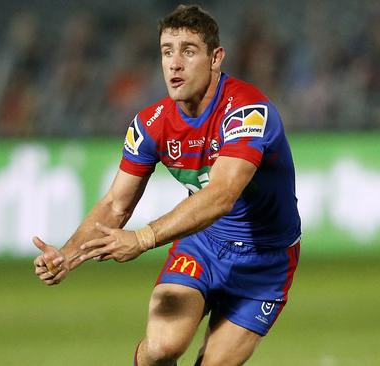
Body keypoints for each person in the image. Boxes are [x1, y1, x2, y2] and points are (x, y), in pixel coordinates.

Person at [33, 4, 301, 365]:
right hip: (203, 245)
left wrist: (144, 239)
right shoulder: (151, 124)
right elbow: (116, 205)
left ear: (215, 58)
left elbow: (222, 195)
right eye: (166, 51)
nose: (174, 63)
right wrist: (68, 255)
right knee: (162, 348)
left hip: (266, 260)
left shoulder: (247, 111)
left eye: (188, 51)